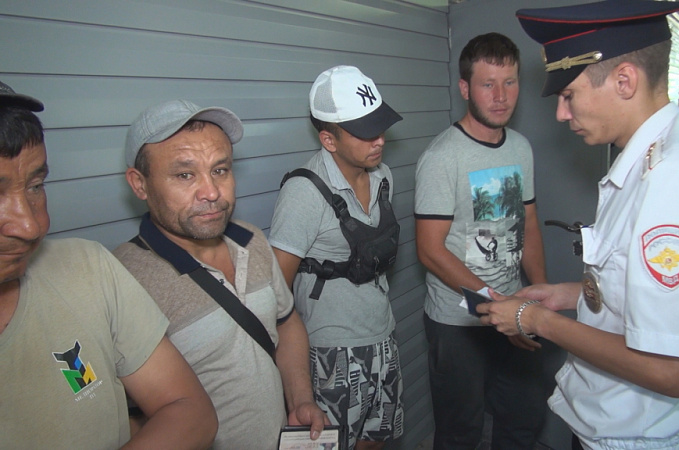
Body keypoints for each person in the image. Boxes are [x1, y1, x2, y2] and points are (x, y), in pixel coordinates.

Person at [478, 2, 679, 449]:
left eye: (569, 95)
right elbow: (642, 294)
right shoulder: (657, 159)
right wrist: (568, 295)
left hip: (635, 435)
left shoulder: (676, 177)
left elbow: (669, 370)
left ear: (624, 81)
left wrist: (535, 319)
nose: (561, 113)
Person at [0, 83, 217, 448]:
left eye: (35, 186)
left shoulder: (87, 268)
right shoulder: (135, 264)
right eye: (184, 174)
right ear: (139, 184)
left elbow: (189, 410)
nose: (30, 225)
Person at [113, 99, 327, 448]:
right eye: (185, 175)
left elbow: (286, 322)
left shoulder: (251, 239)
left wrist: (300, 398)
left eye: (220, 170)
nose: (212, 192)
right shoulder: (122, 280)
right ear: (140, 184)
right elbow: (120, 414)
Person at [414, 32, 548, 449]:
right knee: (460, 434)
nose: (501, 96)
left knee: (521, 421)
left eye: (510, 82)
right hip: (459, 323)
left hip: (514, 308)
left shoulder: (521, 148)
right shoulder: (442, 157)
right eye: (488, 84)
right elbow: (430, 251)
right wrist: (494, 306)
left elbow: (528, 222)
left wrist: (539, 294)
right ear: (465, 88)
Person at [270, 65, 404, 450]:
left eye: (380, 126)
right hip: (331, 351)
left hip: (382, 333)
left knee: (376, 439)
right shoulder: (303, 193)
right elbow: (275, 295)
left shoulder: (382, 176)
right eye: (366, 132)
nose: (380, 140)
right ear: (329, 139)